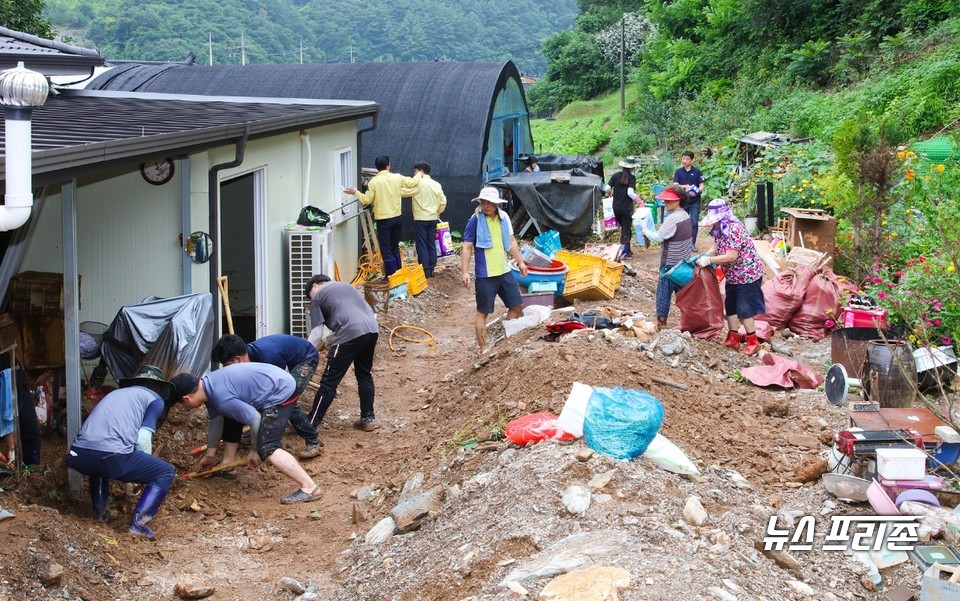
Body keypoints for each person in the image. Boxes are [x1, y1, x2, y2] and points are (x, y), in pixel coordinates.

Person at [171, 363, 322, 504]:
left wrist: (255, 451)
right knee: (230, 417)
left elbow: (255, 419)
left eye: (183, 404)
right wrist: (210, 455)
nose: (185, 407)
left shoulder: (221, 398)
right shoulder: (209, 384)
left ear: (187, 398)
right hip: (275, 380)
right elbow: (217, 420)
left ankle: (309, 487)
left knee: (268, 447)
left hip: (281, 390)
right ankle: (227, 464)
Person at [65, 365, 178, 538]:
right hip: (111, 457)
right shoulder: (155, 399)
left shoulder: (114, 395)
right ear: (158, 387)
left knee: (101, 461)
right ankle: (139, 525)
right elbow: (142, 439)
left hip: (79, 455)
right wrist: (139, 475)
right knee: (165, 472)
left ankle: (100, 514)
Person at [208, 334, 322, 476]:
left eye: (227, 366)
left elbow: (280, 389)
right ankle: (255, 434)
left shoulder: (267, 356)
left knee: (287, 402)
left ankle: (312, 440)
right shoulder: (246, 358)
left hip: (306, 357)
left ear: (237, 360)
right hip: (287, 355)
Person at [304, 275, 380, 432]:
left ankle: (310, 424)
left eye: (309, 294)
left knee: (329, 381)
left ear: (314, 286)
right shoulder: (346, 286)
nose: (310, 298)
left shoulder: (317, 296)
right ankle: (368, 418)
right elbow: (350, 316)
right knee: (364, 374)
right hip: (371, 329)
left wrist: (303, 353)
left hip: (350, 332)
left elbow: (317, 333)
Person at [460, 186, 529, 355]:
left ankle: (506, 339)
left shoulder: (503, 218)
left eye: (489, 203)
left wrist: (520, 262)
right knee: (483, 312)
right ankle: (483, 348)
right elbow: (467, 247)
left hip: (504, 271)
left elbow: (511, 240)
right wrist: (465, 271)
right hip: (485, 275)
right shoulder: (475, 220)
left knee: (517, 306)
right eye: (483, 202)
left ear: (496, 203)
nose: (486, 206)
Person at [695, 199, 766, 355]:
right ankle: (733, 336)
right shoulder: (719, 228)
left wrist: (709, 260)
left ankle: (752, 341)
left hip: (747, 274)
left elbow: (731, 256)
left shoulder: (734, 229)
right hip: (733, 275)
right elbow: (716, 246)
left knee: (744, 308)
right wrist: (706, 255)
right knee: (731, 305)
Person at [344, 156, 422, 277]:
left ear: (377, 168)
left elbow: (367, 200)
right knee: (394, 247)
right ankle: (398, 274)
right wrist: (419, 173)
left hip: (383, 221)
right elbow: (412, 183)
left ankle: (390, 277)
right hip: (397, 218)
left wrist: (356, 192)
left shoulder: (374, 182)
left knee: (386, 250)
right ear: (388, 166)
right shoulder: (397, 177)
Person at [642, 184, 692, 329]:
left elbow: (658, 237)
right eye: (664, 200)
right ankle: (689, 322)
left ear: (678, 201)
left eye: (668, 201)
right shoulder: (685, 215)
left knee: (663, 295)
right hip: (683, 264)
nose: (665, 203)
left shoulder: (673, 218)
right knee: (684, 296)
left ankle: (661, 323)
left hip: (669, 265)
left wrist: (645, 232)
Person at [409, 161, 447, 278]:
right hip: (432, 218)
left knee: (421, 244)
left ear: (420, 171)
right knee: (431, 243)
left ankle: (425, 271)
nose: (414, 174)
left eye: (415, 171)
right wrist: (438, 212)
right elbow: (443, 201)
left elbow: (405, 192)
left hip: (420, 219)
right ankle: (431, 268)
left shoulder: (417, 184)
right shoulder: (436, 184)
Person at [607, 156, 639, 259]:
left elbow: (606, 188)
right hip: (627, 208)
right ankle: (623, 253)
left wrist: (609, 192)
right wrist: (640, 201)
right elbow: (630, 192)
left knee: (625, 228)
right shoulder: (632, 178)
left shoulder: (615, 175)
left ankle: (628, 251)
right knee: (626, 229)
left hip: (616, 208)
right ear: (632, 168)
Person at [673, 150, 705, 248]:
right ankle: (682, 243)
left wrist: (697, 191)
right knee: (681, 222)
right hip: (682, 201)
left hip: (694, 201)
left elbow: (702, 185)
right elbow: (675, 185)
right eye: (683, 158)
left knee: (694, 222)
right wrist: (685, 187)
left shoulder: (697, 172)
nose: (684, 161)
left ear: (692, 160)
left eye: (687, 159)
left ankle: (692, 244)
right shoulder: (678, 172)